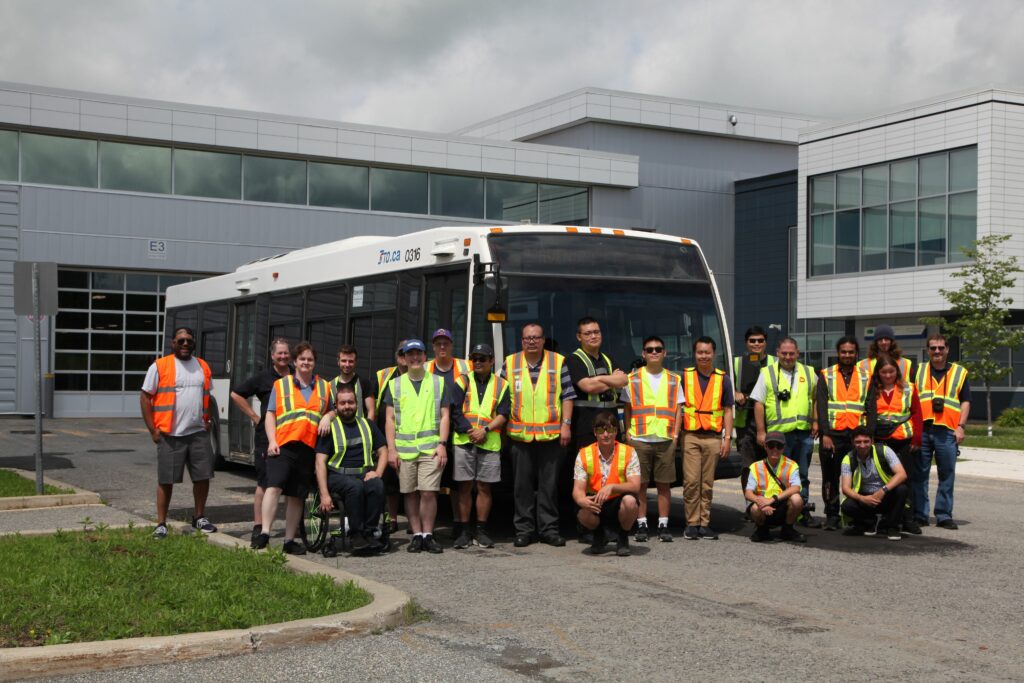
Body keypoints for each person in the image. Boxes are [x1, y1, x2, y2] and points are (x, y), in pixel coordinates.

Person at [501, 322, 575, 547]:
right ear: (521, 341)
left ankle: (548, 530)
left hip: (551, 436)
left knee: (548, 487)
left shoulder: (558, 361)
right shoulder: (510, 362)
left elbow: (568, 396)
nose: (531, 341)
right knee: (521, 488)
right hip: (519, 437)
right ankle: (523, 530)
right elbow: (501, 396)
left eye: (535, 338)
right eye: (527, 338)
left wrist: (566, 425)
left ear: (543, 340)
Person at [253, 342, 332, 554]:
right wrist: (272, 441)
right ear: (295, 362)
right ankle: (265, 533)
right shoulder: (281, 385)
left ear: (314, 363)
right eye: (302, 359)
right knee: (274, 487)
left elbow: (334, 410)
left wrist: (328, 415)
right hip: (284, 444)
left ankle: (289, 540)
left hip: (308, 448)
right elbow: (270, 414)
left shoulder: (325, 386)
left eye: (310, 359)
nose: (306, 362)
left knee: (297, 496)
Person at [140, 326, 217, 539]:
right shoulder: (160, 366)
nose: (185, 344)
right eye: (181, 341)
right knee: (166, 480)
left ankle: (199, 517)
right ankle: (161, 524)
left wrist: (208, 419)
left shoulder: (202, 366)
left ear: (193, 343)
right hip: (169, 434)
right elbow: (145, 397)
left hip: (198, 433)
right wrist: (152, 430)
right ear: (173, 342)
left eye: (189, 341)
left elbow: (207, 396)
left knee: (203, 477)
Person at [385, 339, 450, 554]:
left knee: (429, 492)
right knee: (409, 493)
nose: (414, 358)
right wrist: (392, 450)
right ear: (404, 357)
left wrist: (442, 444)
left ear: (425, 356)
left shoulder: (438, 382)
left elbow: (445, 415)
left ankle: (428, 535)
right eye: (409, 354)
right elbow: (390, 420)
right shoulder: (395, 384)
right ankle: (417, 534)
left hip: (431, 448)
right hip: (404, 451)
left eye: (418, 354)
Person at [229, 337, 293, 547]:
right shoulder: (264, 377)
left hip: (290, 434)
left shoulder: (295, 375)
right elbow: (236, 394)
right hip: (267, 436)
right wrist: (255, 417)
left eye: (286, 353)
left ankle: (294, 526)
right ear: (272, 355)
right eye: (279, 353)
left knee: (289, 482)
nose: (283, 356)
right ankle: (259, 525)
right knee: (265, 482)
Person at [751, 337, 820, 528]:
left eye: (791, 353)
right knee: (779, 475)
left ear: (798, 353)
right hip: (778, 437)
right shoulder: (767, 373)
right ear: (778, 353)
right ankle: (780, 511)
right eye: (784, 353)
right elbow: (758, 402)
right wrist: (761, 431)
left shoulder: (809, 372)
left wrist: (815, 421)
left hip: (803, 433)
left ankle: (801, 510)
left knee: (802, 475)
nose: (788, 357)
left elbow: (816, 399)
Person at [314, 384, 389, 557]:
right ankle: (356, 534)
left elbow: (383, 450)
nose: (347, 406)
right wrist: (324, 494)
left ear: (357, 404)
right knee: (355, 487)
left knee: (377, 485)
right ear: (336, 406)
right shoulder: (330, 427)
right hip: (337, 476)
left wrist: (378, 472)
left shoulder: (367, 424)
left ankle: (369, 533)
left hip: (363, 473)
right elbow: (320, 462)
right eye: (343, 403)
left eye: (350, 402)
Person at [621, 335, 683, 542]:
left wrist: (675, 436)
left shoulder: (674, 379)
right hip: (640, 438)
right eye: (650, 349)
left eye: (658, 349)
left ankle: (663, 525)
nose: (654, 352)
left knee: (664, 485)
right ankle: (642, 525)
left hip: (665, 439)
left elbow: (678, 409)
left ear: (664, 353)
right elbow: (627, 407)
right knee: (641, 485)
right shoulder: (633, 378)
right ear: (644, 353)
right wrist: (627, 432)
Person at [450, 343, 510, 549]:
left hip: (489, 441)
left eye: (482, 359)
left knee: (485, 488)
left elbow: (503, 413)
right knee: (465, 487)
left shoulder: (502, 384)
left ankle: (481, 531)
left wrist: (483, 430)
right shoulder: (462, 381)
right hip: (464, 441)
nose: (477, 362)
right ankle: (465, 531)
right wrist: (471, 431)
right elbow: (454, 410)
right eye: (474, 358)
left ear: (492, 361)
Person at [814, 336, 876, 531]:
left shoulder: (866, 376)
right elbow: (822, 406)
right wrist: (825, 434)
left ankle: (855, 515)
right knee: (830, 478)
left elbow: (871, 407)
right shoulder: (827, 374)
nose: (847, 355)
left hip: (857, 437)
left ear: (856, 353)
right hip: (833, 435)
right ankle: (832, 515)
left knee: (860, 477)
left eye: (851, 352)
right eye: (844, 352)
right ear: (838, 353)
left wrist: (870, 436)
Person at [913, 334, 970, 530]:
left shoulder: (959, 372)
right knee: (919, 474)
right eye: (933, 348)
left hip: (947, 431)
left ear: (947, 349)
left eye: (940, 348)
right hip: (923, 430)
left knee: (947, 474)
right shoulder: (918, 370)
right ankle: (920, 514)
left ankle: (944, 515)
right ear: (927, 350)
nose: (937, 351)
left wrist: (961, 426)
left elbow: (965, 401)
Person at [680, 336, 734, 540]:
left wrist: (727, 438)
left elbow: (727, 410)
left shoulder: (723, 378)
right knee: (691, 481)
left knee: (707, 482)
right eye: (700, 352)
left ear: (714, 354)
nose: (703, 356)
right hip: (691, 435)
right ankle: (691, 523)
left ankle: (704, 523)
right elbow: (678, 407)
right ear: (694, 354)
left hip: (713, 436)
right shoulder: (685, 377)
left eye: (707, 352)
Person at [573, 411, 642, 556]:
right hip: (596, 501)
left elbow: (635, 486)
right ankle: (599, 535)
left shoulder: (629, 452)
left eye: (610, 430)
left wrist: (612, 487)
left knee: (630, 501)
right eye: (601, 430)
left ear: (616, 431)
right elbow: (577, 490)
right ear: (595, 433)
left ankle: (623, 537)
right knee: (582, 512)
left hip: (618, 502)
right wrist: (582, 500)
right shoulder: (584, 454)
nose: (606, 434)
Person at [424, 328, 471, 542]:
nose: (442, 347)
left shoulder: (465, 366)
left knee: (456, 482)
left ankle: (458, 524)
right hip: (433, 431)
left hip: (459, 430)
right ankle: (428, 528)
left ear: (452, 345)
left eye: (446, 343)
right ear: (433, 347)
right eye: (438, 344)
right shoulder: (425, 368)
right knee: (431, 481)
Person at [872, 355, 923, 534]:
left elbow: (916, 413)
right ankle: (886, 516)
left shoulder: (908, 388)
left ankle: (908, 518)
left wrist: (917, 438)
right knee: (883, 480)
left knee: (907, 480)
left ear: (897, 372)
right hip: (880, 441)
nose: (888, 375)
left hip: (903, 441)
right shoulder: (871, 389)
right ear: (878, 373)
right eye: (884, 372)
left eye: (891, 371)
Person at [566, 317, 628, 451]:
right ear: (579, 337)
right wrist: (612, 379)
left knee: (611, 466)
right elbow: (588, 386)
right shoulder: (573, 359)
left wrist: (598, 379)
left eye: (596, 332)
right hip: (585, 425)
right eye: (588, 333)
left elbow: (623, 380)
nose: (593, 336)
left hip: (611, 423)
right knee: (588, 465)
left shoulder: (608, 358)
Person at [840, 426, 910, 541]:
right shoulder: (848, 459)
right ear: (852, 442)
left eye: (866, 441)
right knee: (847, 505)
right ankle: (869, 523)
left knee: (902, 489)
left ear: (872, 441)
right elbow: (845, 488)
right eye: (858, 442)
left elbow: (902, 474)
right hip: (865, 498)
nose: (862, 445)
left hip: (885, 495)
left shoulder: (885, 451)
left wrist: (883, 490)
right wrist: (862, 498)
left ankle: (892, 526)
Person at [733, 326, 777, 490]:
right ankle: (750, 505)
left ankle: (770, 503)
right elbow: (725, 386)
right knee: (747, 466)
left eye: (760, 340)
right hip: (745, 422)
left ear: (765, 343)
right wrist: (736, 392)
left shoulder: (776, 362)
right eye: (752, 341)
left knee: (772, 464)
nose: (756, 344)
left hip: (770, 421)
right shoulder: (737, 363)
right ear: (746, 343)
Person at [372, 340, 408, 533]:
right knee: (388, 482)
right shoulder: (383, 376)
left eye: (408, 352)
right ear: (396, 355)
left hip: (411, 438)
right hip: (386, 437)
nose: (404, 356)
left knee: (412, 484)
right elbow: (373, 406)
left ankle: (413, 521)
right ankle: (391, 519)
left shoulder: (419, 376)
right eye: (401, 352)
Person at [745, 431, 806, 543]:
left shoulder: (792, 465)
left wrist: (772, 500)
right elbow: (748, 493)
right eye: (771, 445)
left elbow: (796, 487)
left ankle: (787, 529)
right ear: (765, 447)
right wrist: (761, 502)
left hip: (781, 504)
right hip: (763, 506)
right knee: (754, 508)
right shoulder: (755, 466)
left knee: (797, 499)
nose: (775, 449)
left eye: (779, 446)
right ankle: (762, 530)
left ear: (783, 448)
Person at [331, 344, 375, 420]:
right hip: (338, 430)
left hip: (359, 430)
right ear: (338, 362)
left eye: (350, 361)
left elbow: (371, 411)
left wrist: (367, 429)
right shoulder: (330, 385)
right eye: (344, 361)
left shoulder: (364, 383)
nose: (347, 364)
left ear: (355, 362)